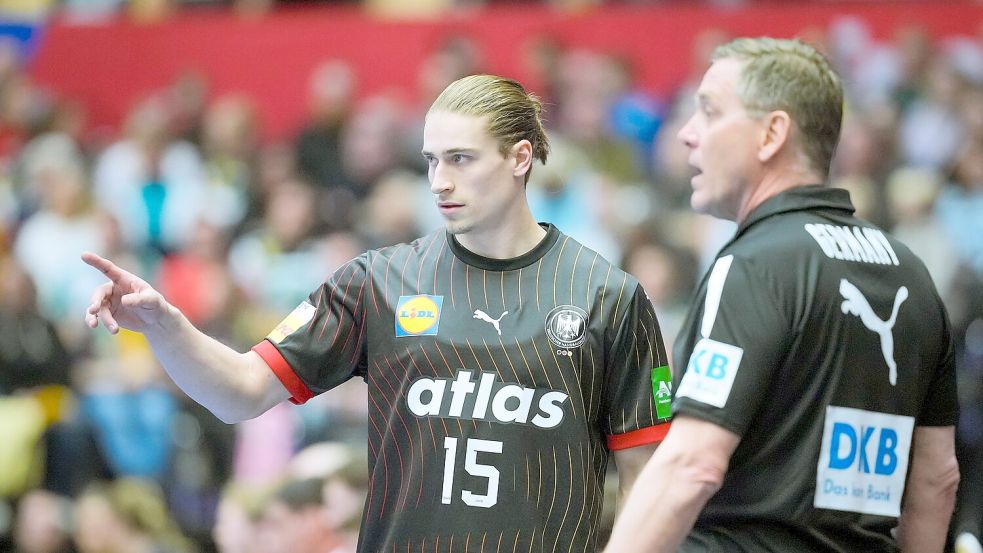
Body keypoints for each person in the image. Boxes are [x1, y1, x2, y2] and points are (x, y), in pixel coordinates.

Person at [83, 74, 671, 552]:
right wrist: (166, 324)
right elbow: (239, 391)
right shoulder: (378, 281)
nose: (439, 182)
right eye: (431, 161)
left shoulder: (608, 297)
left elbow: (648, 481)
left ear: (521, 158)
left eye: (461, 159)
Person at [604, 37, 960, 553]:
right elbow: (936, 479)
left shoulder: (753, 264)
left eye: (709, 111)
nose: (686, 134)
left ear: (772, 133)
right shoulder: (912, 275)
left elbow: (693, 463)